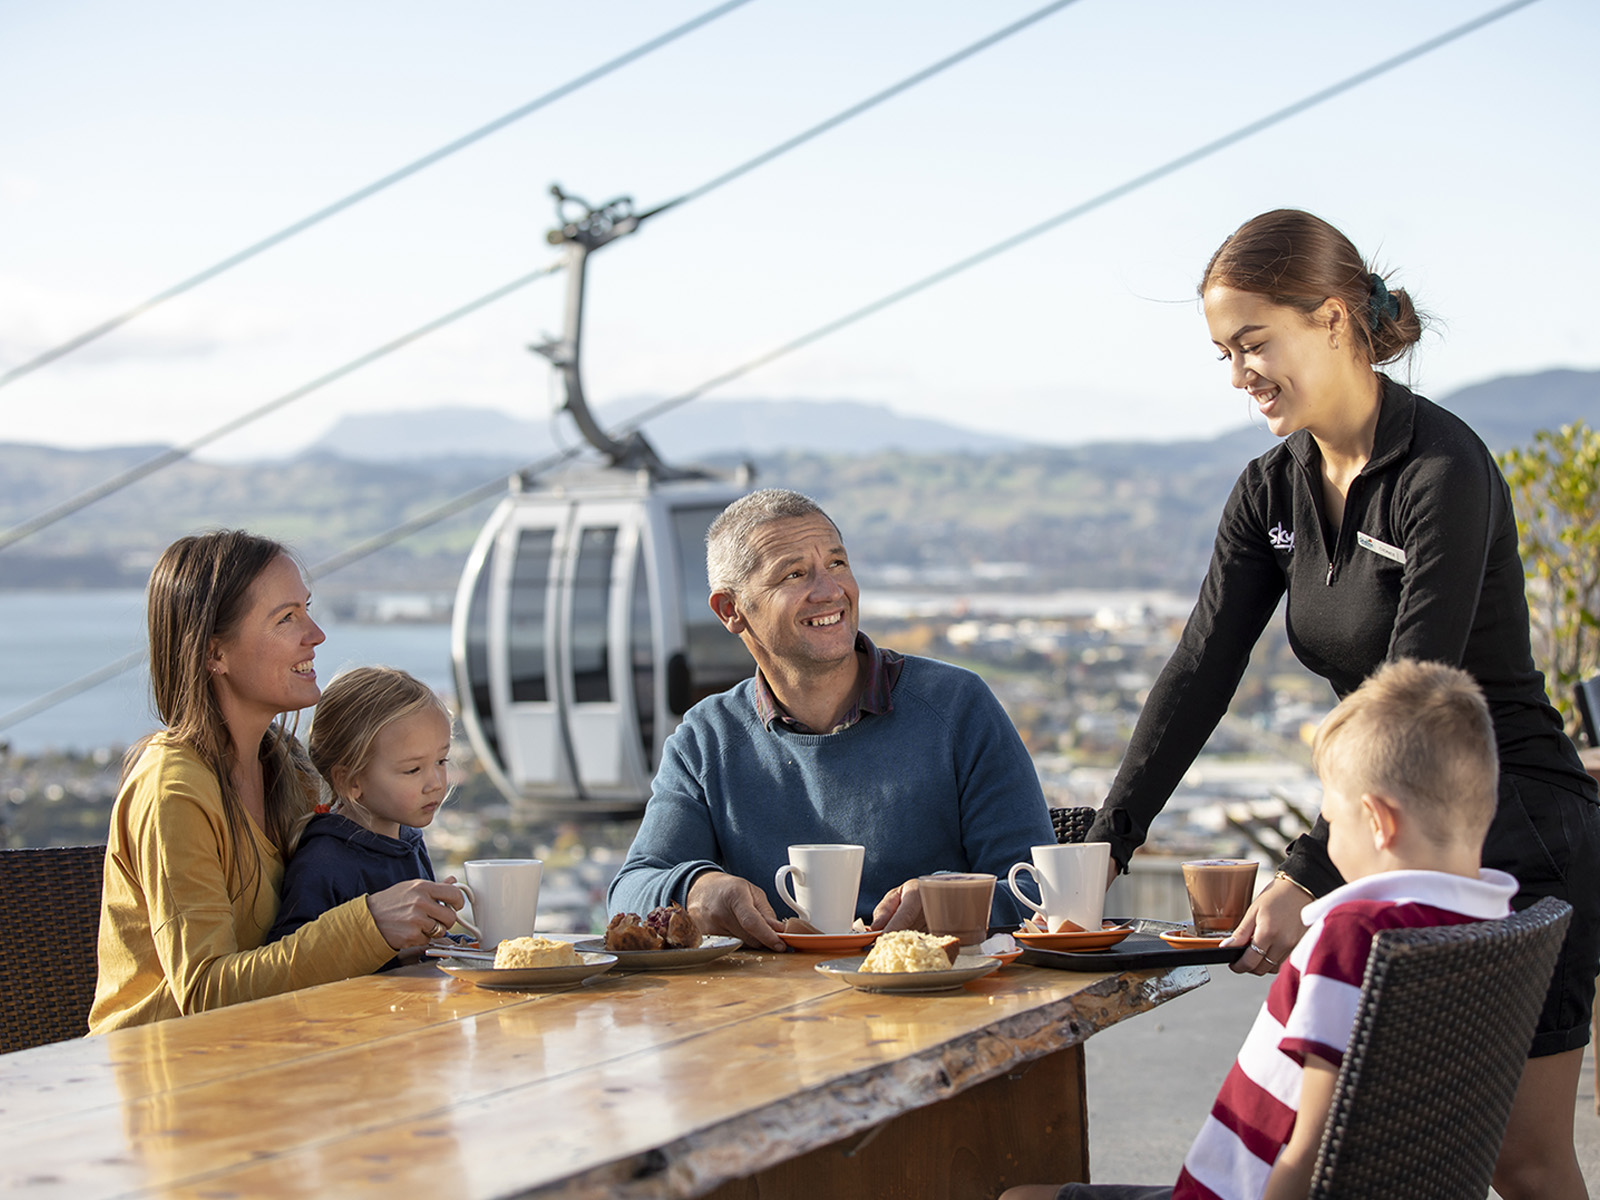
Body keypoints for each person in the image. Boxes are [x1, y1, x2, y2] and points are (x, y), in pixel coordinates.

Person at [1084, 209, 1599, 1199]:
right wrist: (1104, 848)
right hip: (1393, 836)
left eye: (1251, 344)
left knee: (1521, 1161)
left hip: (1512, 826)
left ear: (1328, 319)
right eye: (1222, 353)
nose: (1237, 374)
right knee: (1390, 1159)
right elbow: (1198, 667)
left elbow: (1409, 699)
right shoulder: (1270, 490)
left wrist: (1303, 870)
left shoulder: (1440, 470)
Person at [1005, 659, 1519, 1200]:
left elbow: (1315, 1149)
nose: (1331, 843)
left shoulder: (1354, 938)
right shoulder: (1490, 920)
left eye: (1333, 822)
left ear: (1378, 822)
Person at [606, 488, 1054, 949]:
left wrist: (950, 902)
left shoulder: (958, 706)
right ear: (730, 610)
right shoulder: (706, 737)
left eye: (837, 564)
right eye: (795, 574)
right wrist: (696, 890)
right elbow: (631, 888)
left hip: (938, 1001)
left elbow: (1041, 891)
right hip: (770, 1013)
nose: (830, 591)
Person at [91, 531, 467, 1032]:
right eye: (286, 618)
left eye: (306, 609)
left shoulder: (288, 768)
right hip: (169, 1076)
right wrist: (370, 924)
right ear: (214, 654)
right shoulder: (172, 790)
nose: (316, 634)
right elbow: (204, 994)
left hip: (278, 1053)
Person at [265, 666, 458, 966]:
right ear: (350, 781)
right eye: (412, 769)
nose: (435, 782)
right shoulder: (323, 861)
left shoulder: (409, 842)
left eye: (441, 761)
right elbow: (292, 966)